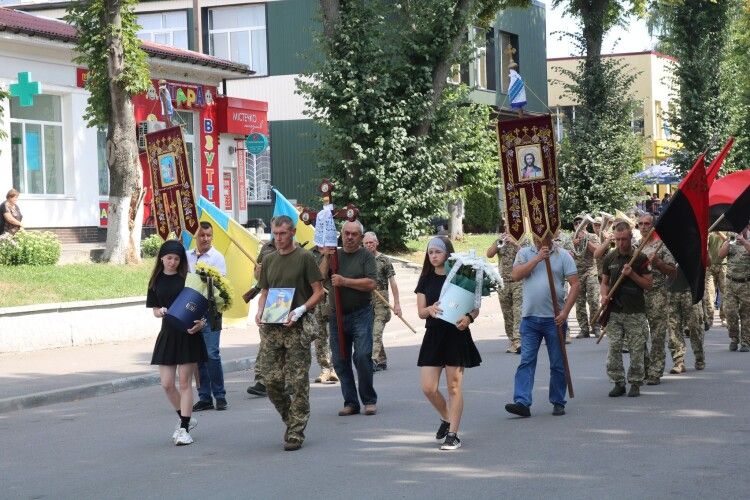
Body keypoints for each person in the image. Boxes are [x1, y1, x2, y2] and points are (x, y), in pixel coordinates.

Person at [255, 215, 324, 451]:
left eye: (283, 234)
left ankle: (296, 432)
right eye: (275, 234)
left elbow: (319, 292)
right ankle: (291, 419)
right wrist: (260, 311)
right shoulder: (270, 259)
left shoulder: (305, 258)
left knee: (297, 381)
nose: (279, 238)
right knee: (271, 381)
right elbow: (264, 291)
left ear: (293, 232)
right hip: (273, 327)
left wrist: (301, 309)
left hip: (297, 327)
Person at [416, 236, 481, 450]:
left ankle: (453, 434)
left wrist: (469, 318)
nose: (433, 256)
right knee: (428, 387)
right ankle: (446, 418)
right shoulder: (425, 279)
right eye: (430, 252)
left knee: (454, 386)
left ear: (447, 254)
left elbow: (474, 307)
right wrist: (430, 310)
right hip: (434, 336)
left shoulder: (461, 277)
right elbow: (421, 312)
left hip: (456, 335)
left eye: (438, 252)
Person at [505, 232, 579, 418]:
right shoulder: (524, 253)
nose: (539, 240)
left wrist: (565, 313)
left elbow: (575, 285)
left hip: (554, 319)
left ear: (550, 235)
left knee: (557, 362)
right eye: (536, 236)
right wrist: (537, 259)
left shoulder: (563, 255)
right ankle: (522, 402)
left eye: (543, 236)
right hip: (530, 318)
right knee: (526, 361)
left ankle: (558, 401)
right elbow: (515, 275)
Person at [147, 240, 208, 446]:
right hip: (167, 334)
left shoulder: (189, 279)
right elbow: (155, 310)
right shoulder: (155, 281)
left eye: (176, 258)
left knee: (184, 383)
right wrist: (160, 311)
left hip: (188, 333)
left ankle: (184, 428)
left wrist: (201, 323)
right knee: (166, 384)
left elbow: (201, 307)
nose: (172, 262)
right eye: (169, 258)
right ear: (162, 258)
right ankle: (185, 417)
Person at [321, 220, 378, 417]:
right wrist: (326, 258)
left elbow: (371, 283)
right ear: (341, 234)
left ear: (361, 238)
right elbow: (320, 277)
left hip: (361, 313)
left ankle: (369, 400)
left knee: (362, 356)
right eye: (347, 233)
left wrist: (345, 281)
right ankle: (351, 402)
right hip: (336, 315)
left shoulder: (366, 257)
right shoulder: (334, 255)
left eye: (354, 234)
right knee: (339, 359)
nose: (350, 237)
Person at [600, 222, 653, 397]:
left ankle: (636, 382)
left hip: (635, 311)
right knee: (614, 347)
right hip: (615, 311)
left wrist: (632, 274)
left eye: (624, 239)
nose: (621, 243)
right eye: (618, 239)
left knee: (636, 348)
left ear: (631, 237)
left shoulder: (640, 258)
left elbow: (648, 284)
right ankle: (618, 382)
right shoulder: (610, 258)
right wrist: (604, 296)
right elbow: (604, 282)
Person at [187, 222, 229, 412]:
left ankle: (220, 396)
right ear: (196, 237)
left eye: (208, 235)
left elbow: (220, 286)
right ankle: (204, 397)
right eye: (202, 235)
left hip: (210, 311)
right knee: (198, 356)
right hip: (190, 310)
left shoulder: (217, 257)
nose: (205, 239)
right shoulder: (187, 256)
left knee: (212, 354)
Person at [639, 214, 676, 386]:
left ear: (653, 226)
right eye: (640, 224)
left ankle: (655, 371)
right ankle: (645, 368)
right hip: (638, 295)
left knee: (657, 335)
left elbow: (672, 272)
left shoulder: (661, 245)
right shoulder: (634, 247)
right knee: (638, 335)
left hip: (657, 295)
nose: (643, 226)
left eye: (647, 224)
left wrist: (659, 263)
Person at [363, 231, 401, 371]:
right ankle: (382, 360)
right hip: (367, 300)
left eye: (371, 242)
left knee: (376, 331)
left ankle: (372, 361)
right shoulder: (362, 260)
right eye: (366, 243)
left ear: (377, 243)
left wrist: (397, 304)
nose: (369, 245)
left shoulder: (384, 260)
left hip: (382, 300)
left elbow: (393, 282)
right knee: (372, 330)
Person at [247, 238, 279, 398]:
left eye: (282, 232)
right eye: (275, 230)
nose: (278, 235)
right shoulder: (266, 247)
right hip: (269, 297)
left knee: (282, 341)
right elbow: (257, 273)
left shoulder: (296, 249)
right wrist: (258, 271)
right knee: (267, 340)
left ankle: (284, 380)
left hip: (284, 297)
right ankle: (262, 381)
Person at [486, 222, 522, 353]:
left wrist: (514, 243)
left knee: (518, 311)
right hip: (503, 282)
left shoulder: (524, 239)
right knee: (507, 313)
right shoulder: (500, 240)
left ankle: (518, 340)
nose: (508, 228)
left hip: (519, 281)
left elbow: (528, 255)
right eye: (506, 226)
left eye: (510, 226)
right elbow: (489, 254)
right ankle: (512, 340)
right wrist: (498, 243)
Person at [564, 215, 600, 339]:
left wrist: (586, 240)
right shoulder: (570, 239)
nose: (578, 224)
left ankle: (596, 327)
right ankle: (584, 328)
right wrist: (572, 244)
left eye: (581, 222)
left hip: (591, 271)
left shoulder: (593, 236)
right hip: (576, 273)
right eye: (576, 223)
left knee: (594, 300)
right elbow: (566, 256)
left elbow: (597, 252)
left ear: (586, 225)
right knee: (579, 302)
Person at [666, 268, 705, 373]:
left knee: (695, 326)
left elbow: (707, 262)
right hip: (671, 290)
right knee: (673, 327)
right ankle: (679, 361)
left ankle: (699, 357)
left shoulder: (694, 250)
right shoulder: (665, 250)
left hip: (690, 290)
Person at [719, 224, 750, 351]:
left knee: (746, 314)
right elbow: (720, 255)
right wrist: (728, 242)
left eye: (743, 226)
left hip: (746, 283)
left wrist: (744, 241)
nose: (740, 228)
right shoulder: (730, 239)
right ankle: (734, 338)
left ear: (747, 227)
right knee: (730, 312)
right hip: (731, 282)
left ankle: (746, 342)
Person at [310, 245, 338, 384]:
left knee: (335, 334)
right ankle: (325, 369)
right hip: (316, 299)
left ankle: (336, 368)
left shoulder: (337, 252)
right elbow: (317, 277)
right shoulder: (310, 253)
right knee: (319, 336)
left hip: (333, 298)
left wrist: (328, 255)